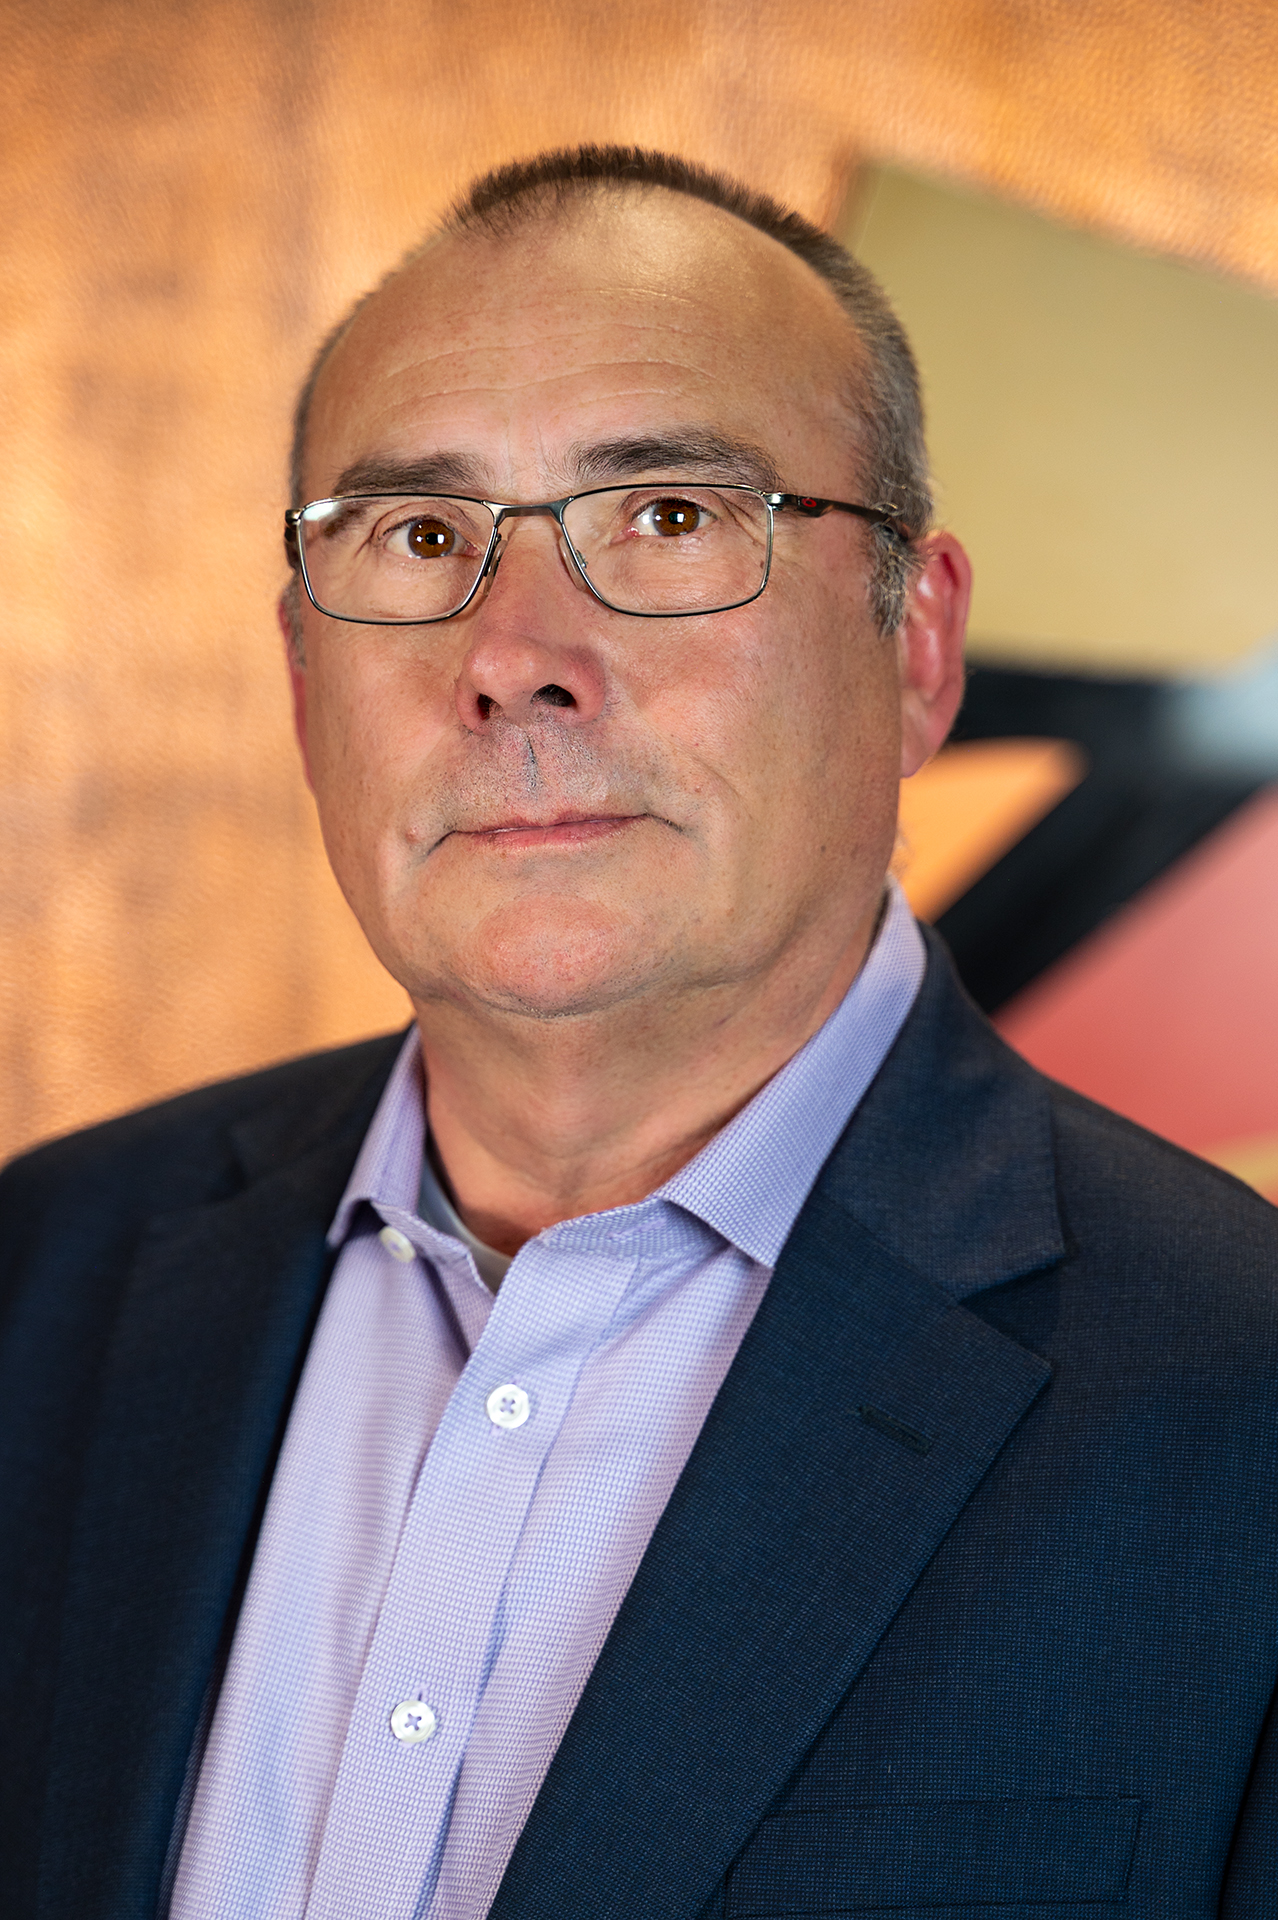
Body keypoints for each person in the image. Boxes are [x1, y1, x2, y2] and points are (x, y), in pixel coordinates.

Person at [2, 146, 1277, 1920]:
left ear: (915, 646)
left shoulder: (1240, 1413)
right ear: (306, 689)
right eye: (419, 537)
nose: (515, 653)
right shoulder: (41, 1280)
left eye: (668, 520)